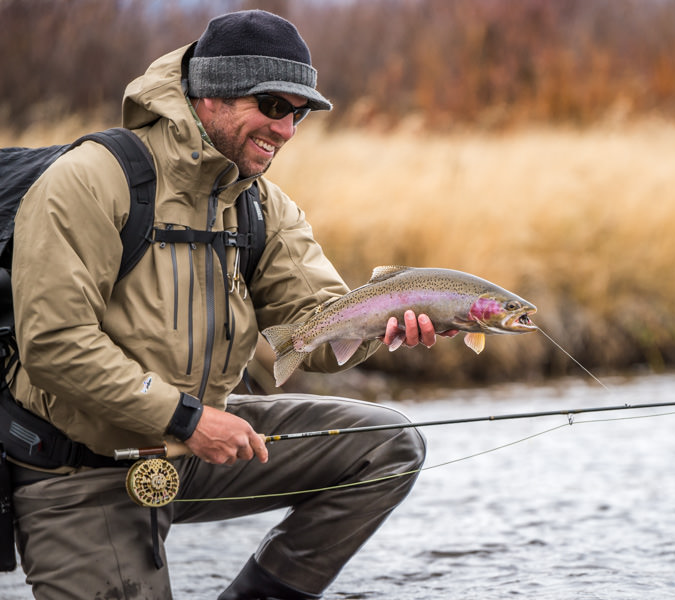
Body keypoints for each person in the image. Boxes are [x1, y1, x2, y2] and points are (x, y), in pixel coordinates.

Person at [6, 10, 451, 600]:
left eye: (299, 113)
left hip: (194, 447)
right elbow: (55, 346)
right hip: (80, 469)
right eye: (272, 105)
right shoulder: (91, 180)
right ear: (210, 95)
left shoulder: (263, 205)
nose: (287, 130)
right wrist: (188, 420)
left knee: (388, 447)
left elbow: (310, 328)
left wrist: (378, 325)